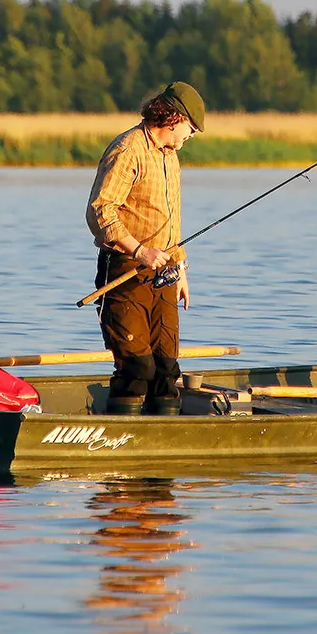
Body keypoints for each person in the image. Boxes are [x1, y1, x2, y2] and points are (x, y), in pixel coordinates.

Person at [85, 81, 205, 415]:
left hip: (165, 272)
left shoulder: (170, 156)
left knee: (166, 369)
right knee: (137, 368)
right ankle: (121, 437)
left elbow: (172, 219)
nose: (191, 136)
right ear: (174, 118)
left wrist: (180, 268)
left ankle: (163, 441)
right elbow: (100, 211)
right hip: (125, 269)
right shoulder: (129, 148)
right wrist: (140, 251)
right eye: (191, 128)